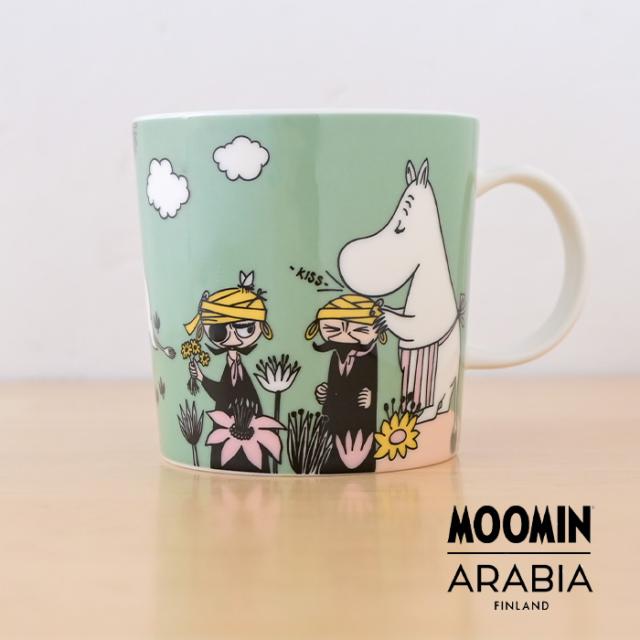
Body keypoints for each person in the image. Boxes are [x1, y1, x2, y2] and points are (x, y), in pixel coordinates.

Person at [184, 271, 276, 472]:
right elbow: (225, 393)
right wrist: (200, 376)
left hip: (249, 427)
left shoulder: (238, 364)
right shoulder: (231, 365)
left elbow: (224, 393)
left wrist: (201, 377)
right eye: (220, 331)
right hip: (229, 428)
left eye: (245, 329)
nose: (233, 336)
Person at [305, 294, 386, 473]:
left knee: (358, 452)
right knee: (330, 455)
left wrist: (372, 398)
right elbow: (337, 386)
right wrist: (326, 394)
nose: (345, 335)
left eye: (358, 330)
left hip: (360, 423)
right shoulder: (336, 356)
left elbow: (381, 386)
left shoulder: (372, 359)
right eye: (334, 329)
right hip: (333, 421)